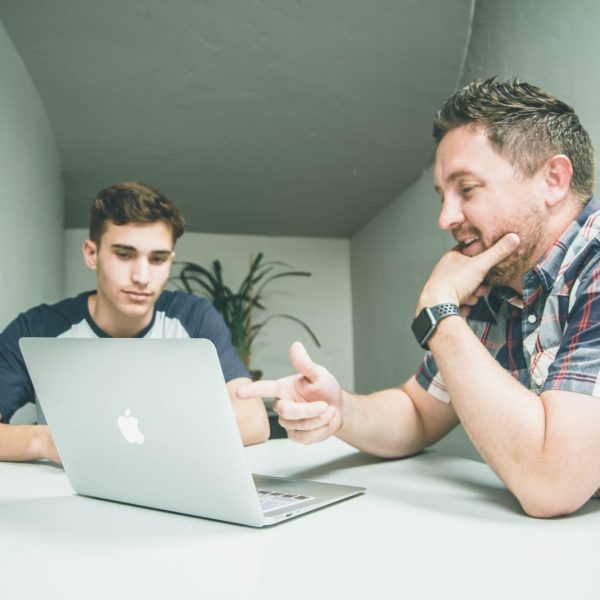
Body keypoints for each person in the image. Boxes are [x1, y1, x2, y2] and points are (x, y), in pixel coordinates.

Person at [238, 78, 600, 518]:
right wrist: (340, 410)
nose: (446, 217)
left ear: (553, 179)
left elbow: (552, 485)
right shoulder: (498, 281)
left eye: (466, 189)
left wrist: (441, 314)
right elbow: (418, 411)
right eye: (443, 196)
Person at [0, 181, 269, 462]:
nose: (141, 276)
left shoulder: (194, 318)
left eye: (157, 259)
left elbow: (254, 421)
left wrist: (138, 436)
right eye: (124, 255)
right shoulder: (37, 329)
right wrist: (47, 441)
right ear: (92, 254)